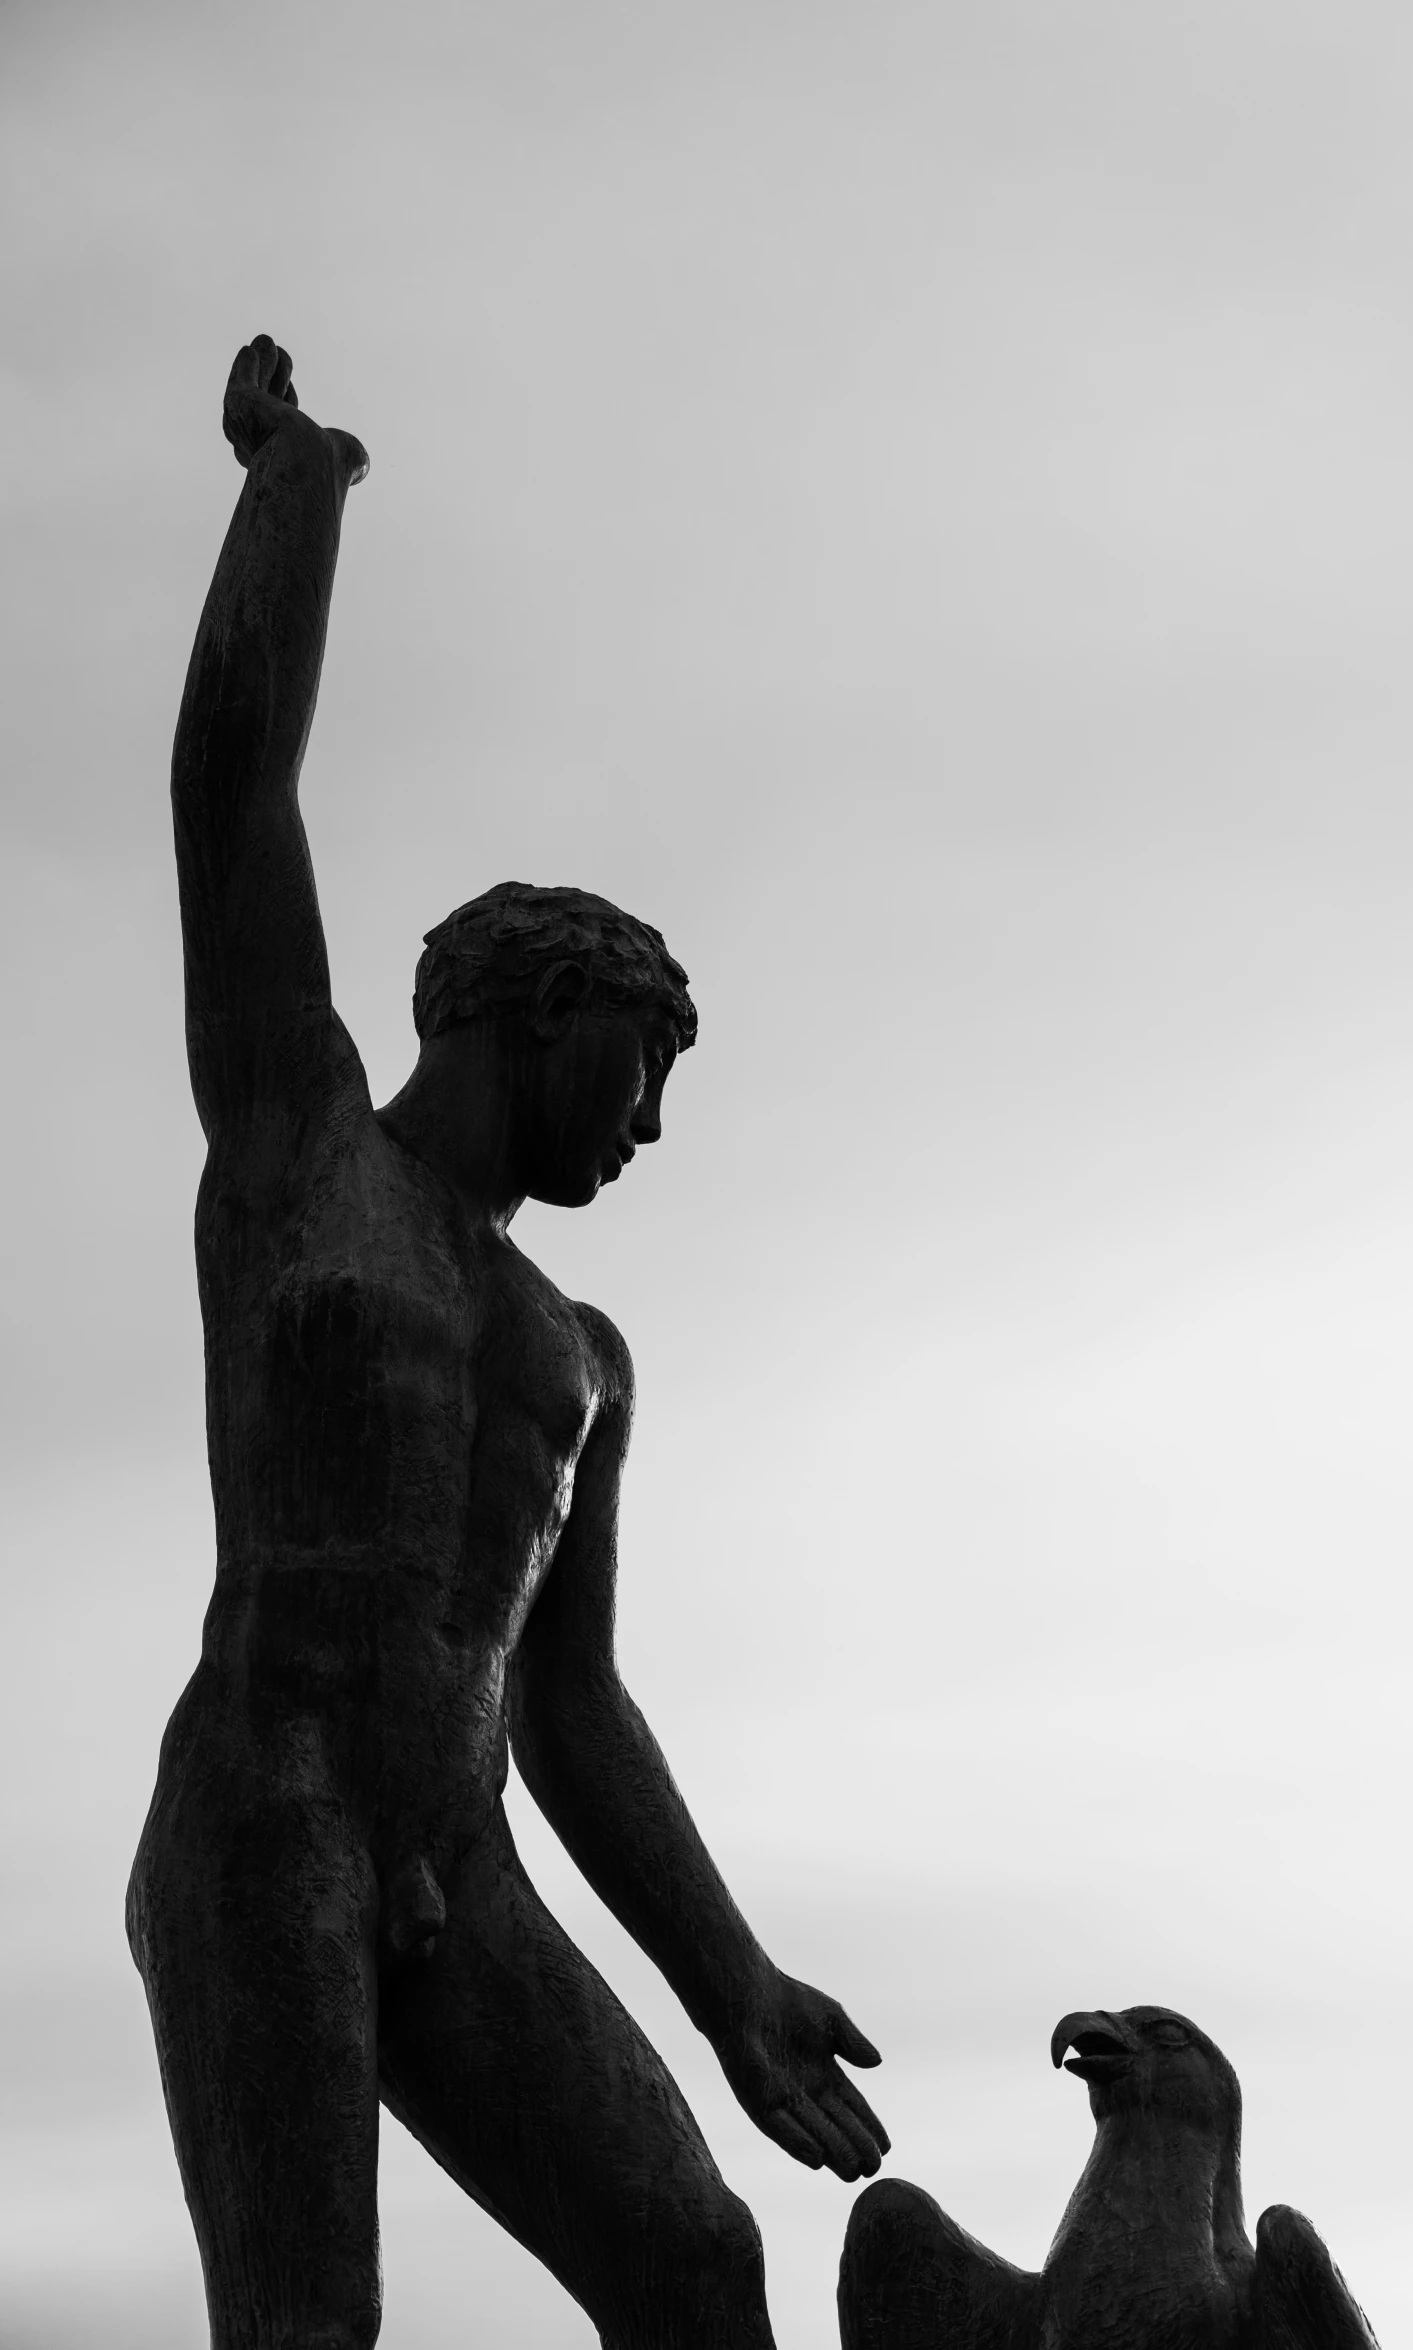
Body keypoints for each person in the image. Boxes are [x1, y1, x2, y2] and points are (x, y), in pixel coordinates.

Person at [127, 334, 888, 2350]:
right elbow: (231, 788)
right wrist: (298, 483)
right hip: (269, 1803)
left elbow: (575, 1705)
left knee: (697, 2263)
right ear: (538, 1010)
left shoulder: (582, 1352)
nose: (647, 1127)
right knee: (309, 2325)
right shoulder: (300, 1145)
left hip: (460, 1849)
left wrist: (731, 1980)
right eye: (639, 1070)